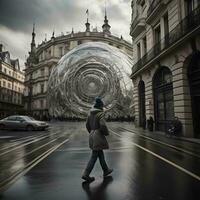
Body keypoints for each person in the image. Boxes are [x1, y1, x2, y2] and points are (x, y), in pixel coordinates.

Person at [82, 97, 113, 182]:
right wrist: (106, 133)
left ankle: (106, 170)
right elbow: (102, 125)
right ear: (100, 106)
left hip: (92, 134)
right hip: (98, 135)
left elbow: (87, 125)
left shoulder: (90, 113)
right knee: (94, 155)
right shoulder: (100, 114)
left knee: (100, 153)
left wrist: (91, 132)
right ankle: (86, 174)